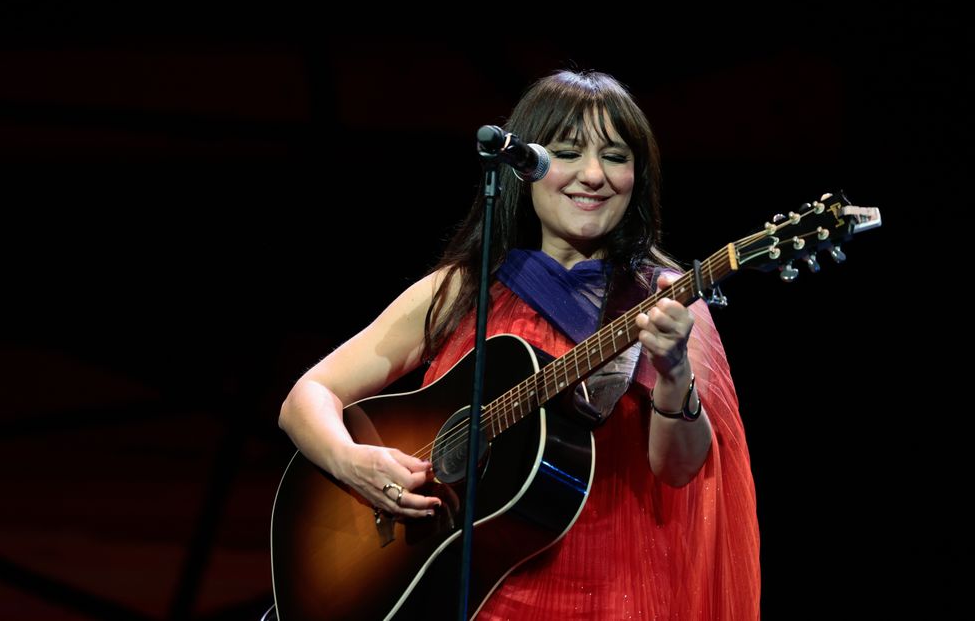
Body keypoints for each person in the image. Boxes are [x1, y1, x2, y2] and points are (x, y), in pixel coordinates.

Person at [279, 70, 760, 620]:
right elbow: (307, 395)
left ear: (638, 175)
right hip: (476, 590)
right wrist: (350, 460)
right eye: (567, 152)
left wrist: (674, 373)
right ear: (523, 168)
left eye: (616, 156)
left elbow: (679, 471)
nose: (593, 175)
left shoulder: (665, 299)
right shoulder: (463, 288)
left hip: (617, 588)